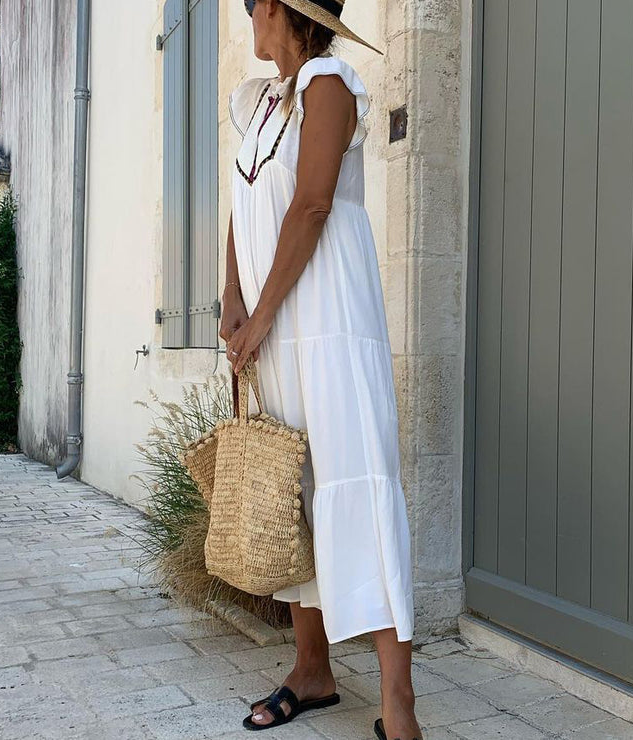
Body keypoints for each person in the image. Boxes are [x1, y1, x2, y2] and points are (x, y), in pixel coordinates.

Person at [219, 0, 421, 738]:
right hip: (277, 329)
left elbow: (309, 207)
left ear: (271, 7)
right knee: (294, 490)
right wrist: (232, 300)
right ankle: (313, 669)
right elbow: (245, 205)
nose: (246, 18)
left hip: (328, 323)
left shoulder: (328, 82)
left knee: (357, 481)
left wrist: (263, 313)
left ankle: (398, 706)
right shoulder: (264, 103)